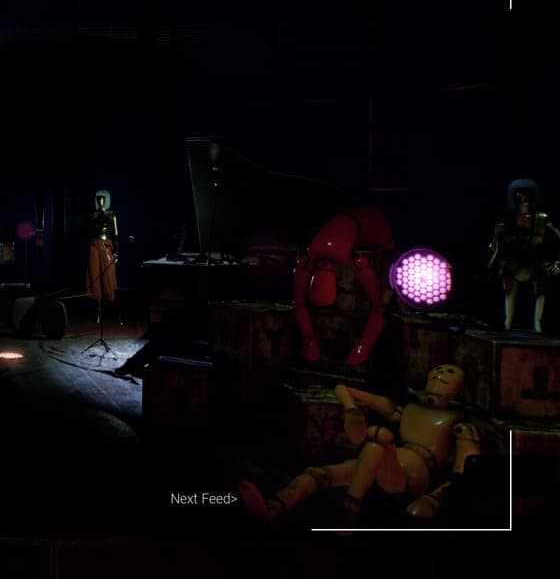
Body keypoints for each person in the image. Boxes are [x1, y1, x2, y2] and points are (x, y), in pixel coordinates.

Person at [238, 364, 481, 525]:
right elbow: (343, 388)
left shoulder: (458, 424)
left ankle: (349, 512)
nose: (440, 377)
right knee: (318, 475)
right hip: (378, 461)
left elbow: (465, 469)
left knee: (376, 439)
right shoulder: (407, 409)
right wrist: (351, 410)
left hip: (410, 476)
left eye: (448, 376)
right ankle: (274, 508)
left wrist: (435, 498)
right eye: (437, 374)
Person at [292, 206, 396, 364]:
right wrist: (309, 340)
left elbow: (378, 308)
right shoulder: (309, 257)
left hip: (373, 227)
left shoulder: (359, 260)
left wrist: (364, 346)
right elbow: (298, 302)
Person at [489, 179, 560, 332]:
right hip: (513, 261)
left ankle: (538, 325)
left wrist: (556, 261)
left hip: (535, 261)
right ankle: (507, 324)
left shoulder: (542, 218)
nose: (525, 199)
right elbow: (497, 244)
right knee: (510, 291)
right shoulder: (506, 220)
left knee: (540, 290)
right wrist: (496, 259)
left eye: (528, 194)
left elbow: (556, 235)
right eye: (521, 194)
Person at [85, 190, 119, 314]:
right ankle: (98, 308)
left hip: (106, 246)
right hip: (94, 246)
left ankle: (111, 306)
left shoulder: (112, 215)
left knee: (108, 276)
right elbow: (89, 233)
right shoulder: (92, 215)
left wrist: (116, 252)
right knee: (94, 275)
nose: (101, 201)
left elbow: (116, 234)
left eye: (103, 198)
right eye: (98, 198)